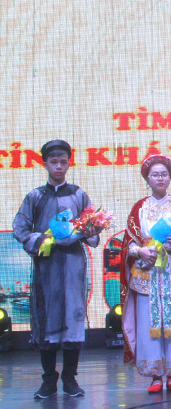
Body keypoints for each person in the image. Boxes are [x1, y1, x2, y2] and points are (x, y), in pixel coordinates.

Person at [13, 140, 103, 399]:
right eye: (54, 162)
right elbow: (20, 228)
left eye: (63, 161)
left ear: (68, 163)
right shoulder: (35, 197)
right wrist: (40, 239)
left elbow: (90, 227)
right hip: (46, 265)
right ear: (45, 164)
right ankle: (48, 380)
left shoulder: (78, 195)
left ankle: (70, 379)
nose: (59, 166)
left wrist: (92, 231)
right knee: (47, 319)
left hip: (73, 264)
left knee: (73, 319)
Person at [119, 154, 171, 393]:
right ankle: (156, 375)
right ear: (147, 178)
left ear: (170, 177)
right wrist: (140, 251)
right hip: (147, 273)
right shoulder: (139, 207)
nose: (159, 178)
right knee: (149, 324)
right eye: (154, 174)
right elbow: (128, 243)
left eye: (163, 174)